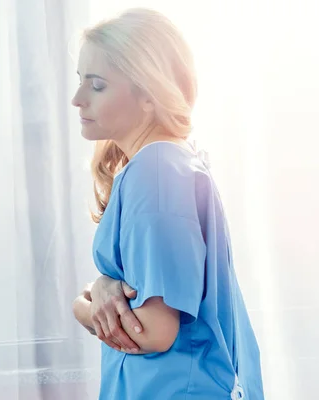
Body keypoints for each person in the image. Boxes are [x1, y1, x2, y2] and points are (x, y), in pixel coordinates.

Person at [70, 8, 264, 399]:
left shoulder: (156, 172)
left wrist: (82, 307)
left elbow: (154, 331)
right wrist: (105, 285)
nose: (77, 100)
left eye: (97, 85)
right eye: (80, 82)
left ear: (148, 95)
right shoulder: (164, 165)